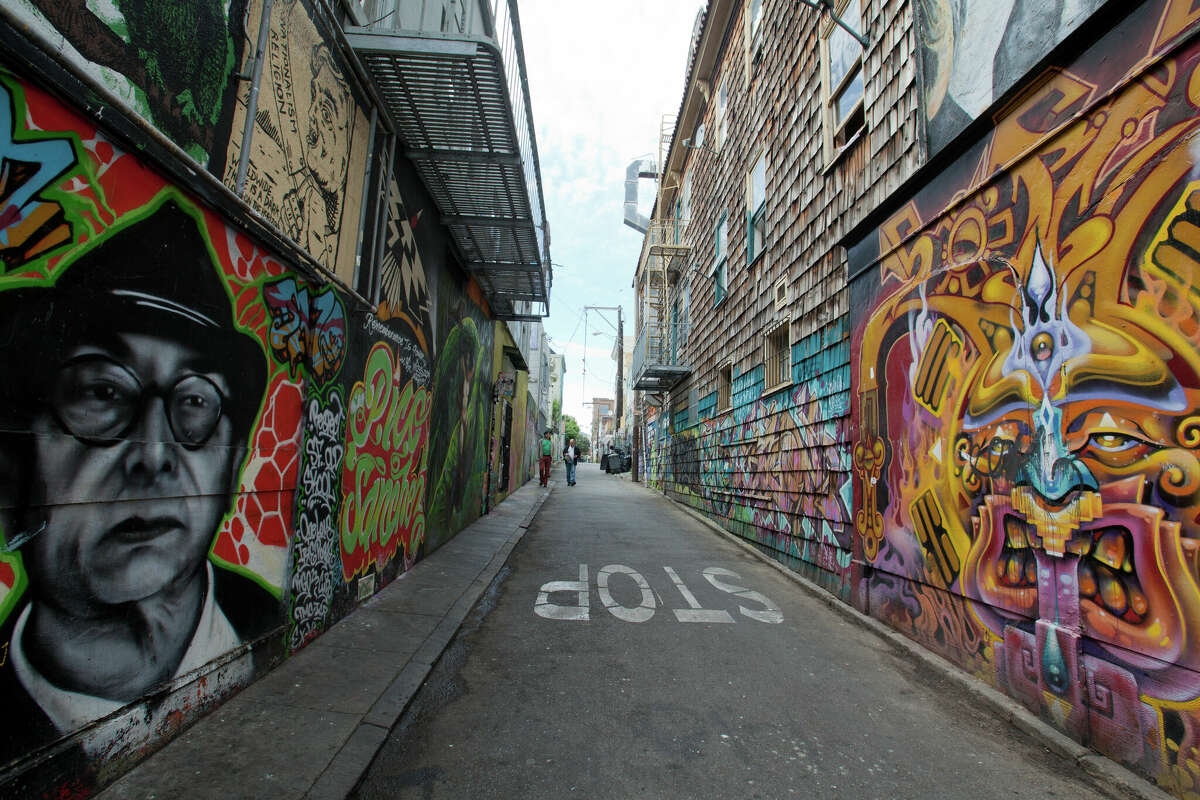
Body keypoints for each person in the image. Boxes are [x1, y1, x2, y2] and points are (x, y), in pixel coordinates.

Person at [0, 200, 279, 761]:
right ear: (14, 464)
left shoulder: (266, 621)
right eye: (103, 392)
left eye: (195, 402)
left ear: (232, 465)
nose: (153, 455)